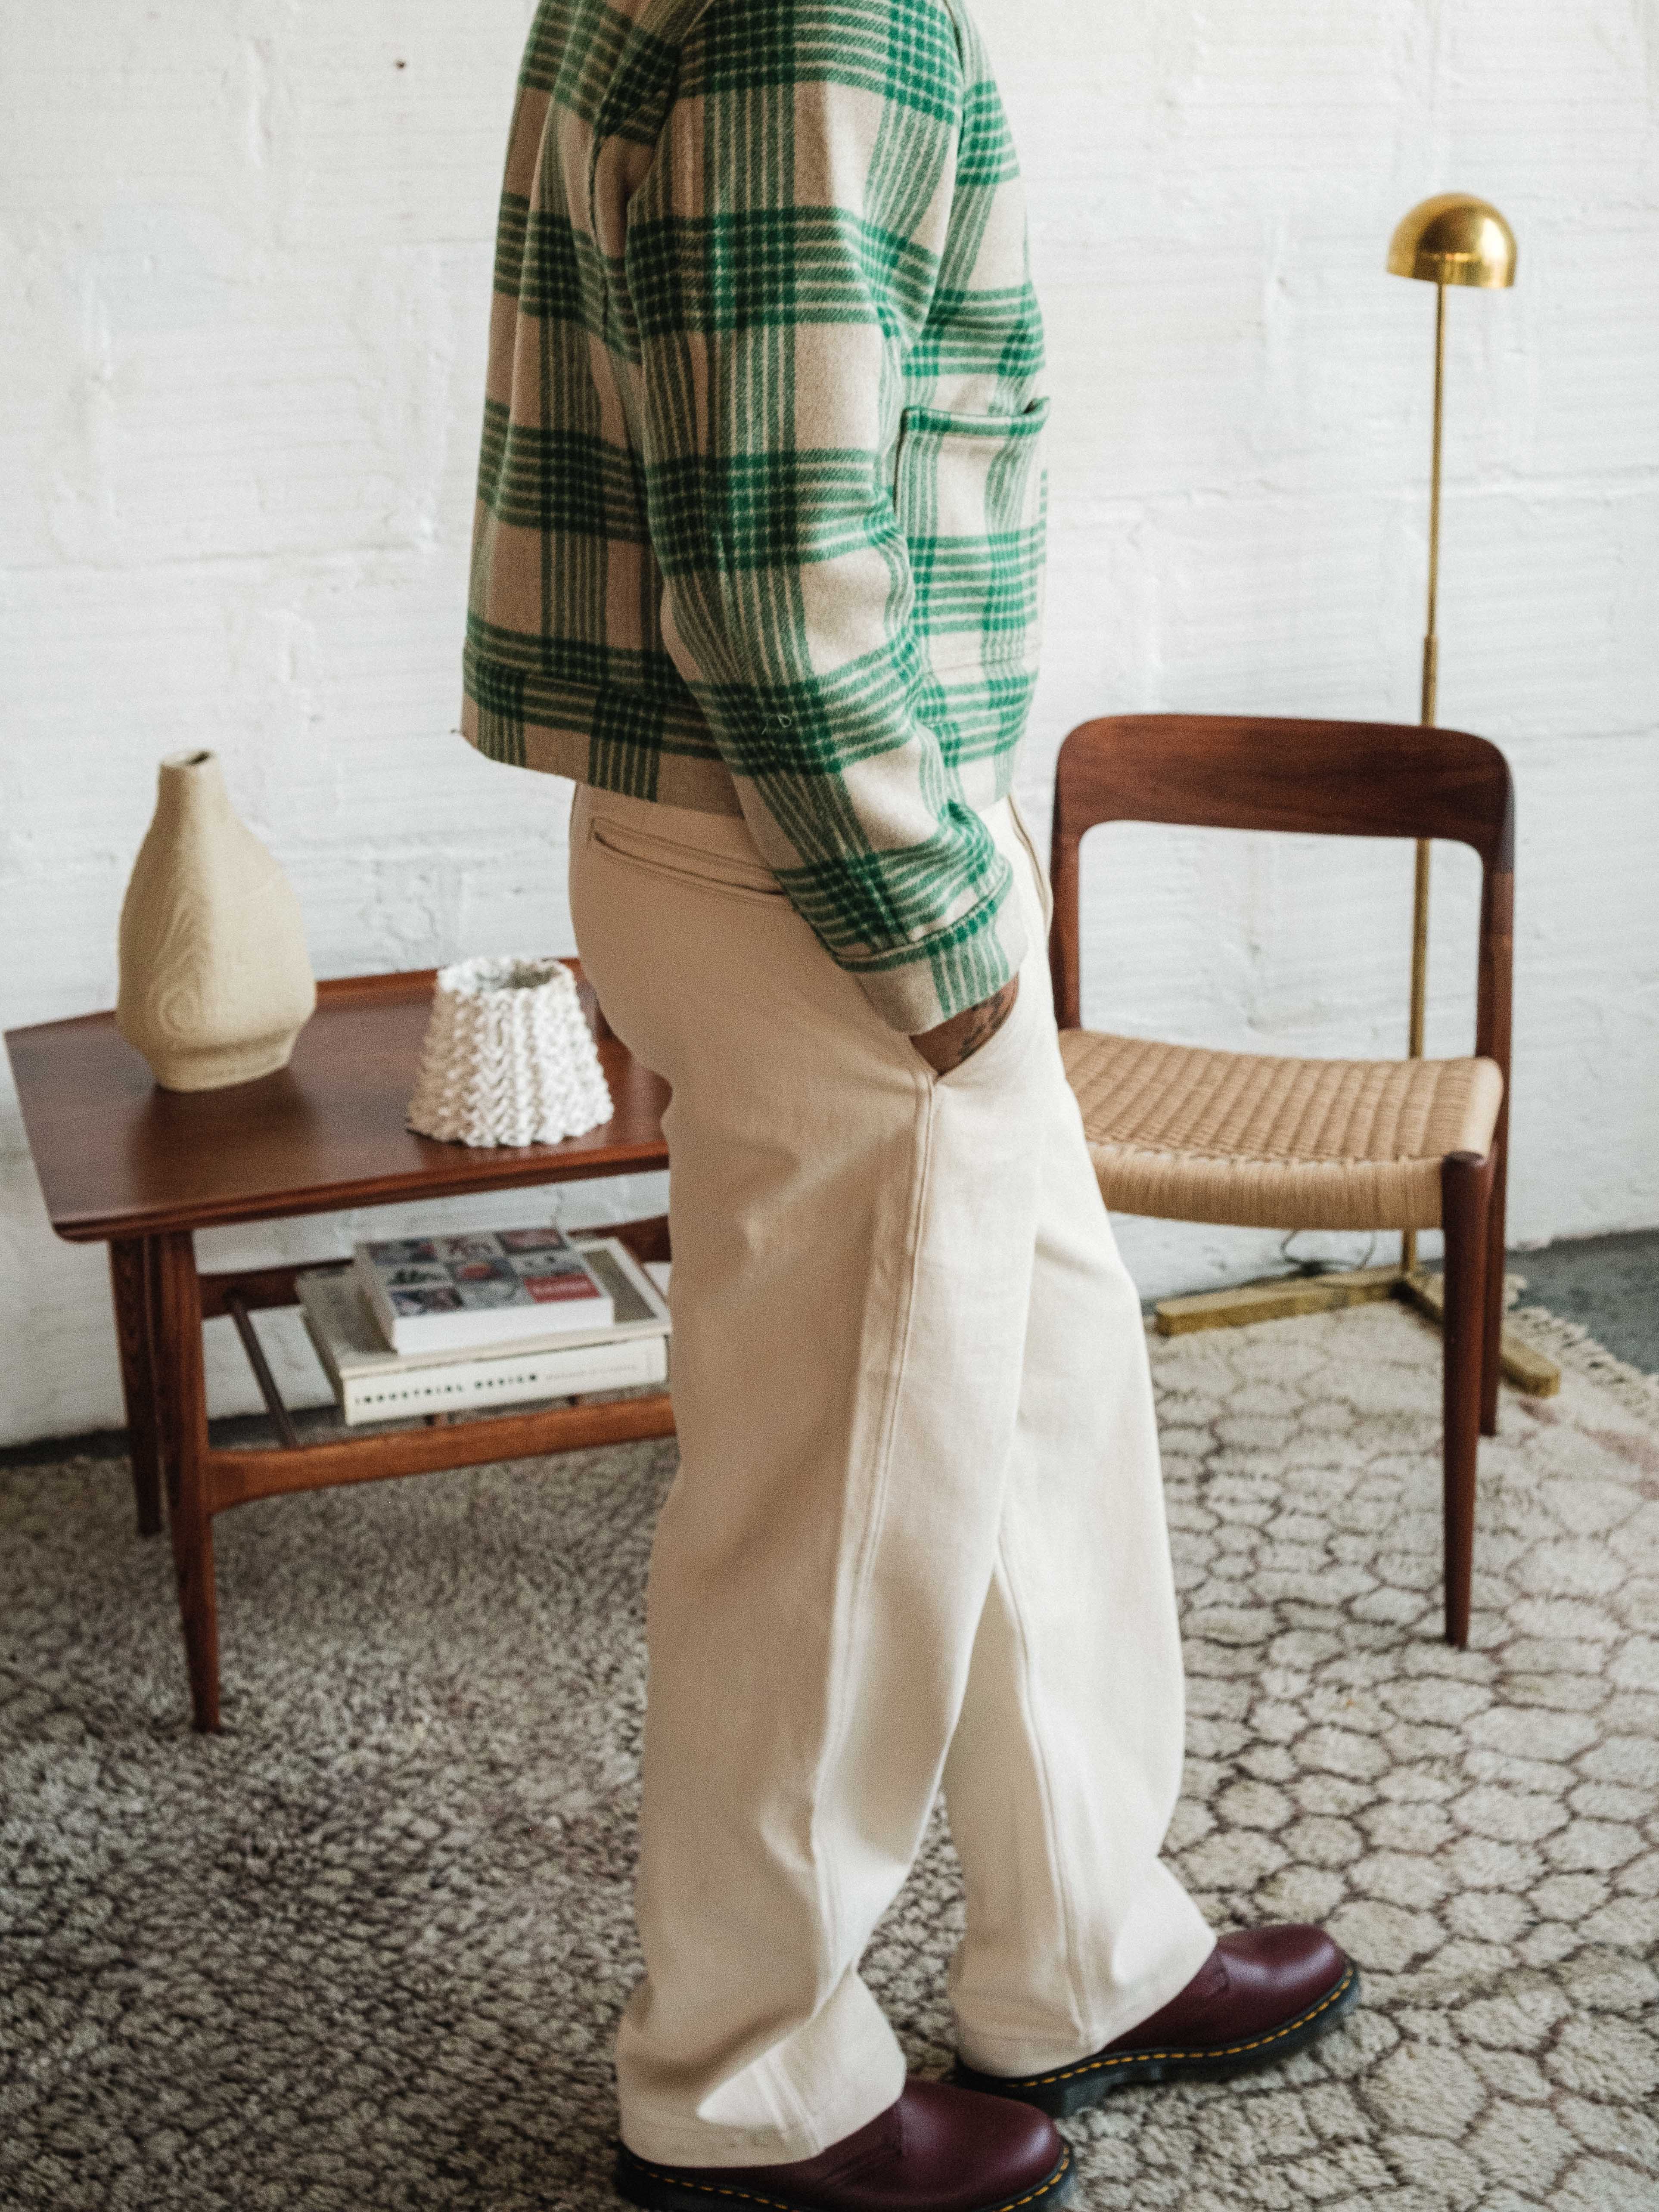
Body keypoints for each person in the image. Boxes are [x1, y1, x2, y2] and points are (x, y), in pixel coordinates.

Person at [463, 2, 1360, 2205]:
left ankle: (1082, 1951)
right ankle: (742, 2083)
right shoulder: (807, 15)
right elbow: (772, 565)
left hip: (812, 838)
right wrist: (939, 929)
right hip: (827, 860)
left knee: (1038, 1395)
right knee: (837, 1511)